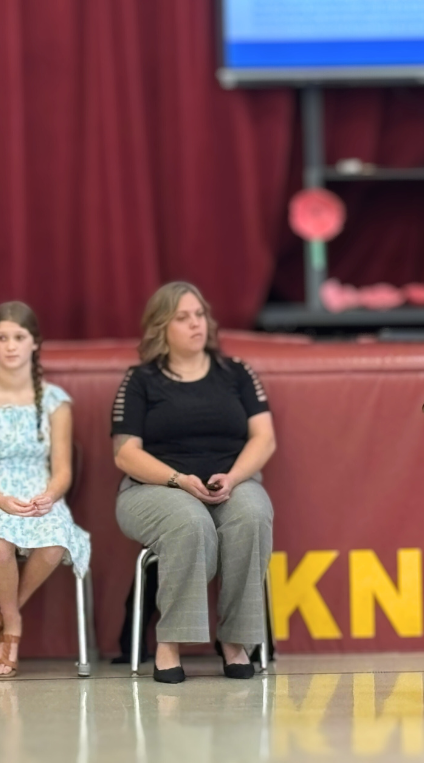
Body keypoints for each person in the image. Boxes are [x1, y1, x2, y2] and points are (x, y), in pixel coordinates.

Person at [111, 281, 275, 683]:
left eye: (199, 315)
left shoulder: (236, 373)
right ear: (161, 327)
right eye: (182, 318)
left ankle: (235, 641)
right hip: (156, 488)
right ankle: (171, 642)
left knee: (252, 515)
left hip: (232, 481)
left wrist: (235, 477)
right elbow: (125, 453)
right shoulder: (140, 380)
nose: (194, 324)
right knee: (190, 522)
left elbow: (264, 437)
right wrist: (178, 479)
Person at [0, 302, 91, 678]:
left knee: (55, 542)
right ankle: (13, 626)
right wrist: (0, 500)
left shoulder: (56, 402)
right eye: (2, 338)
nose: (11, 345)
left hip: (39, 489)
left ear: (35, 344)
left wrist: (50, 495)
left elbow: (62, 471)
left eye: (19, 337)